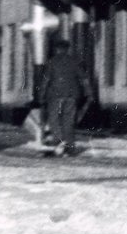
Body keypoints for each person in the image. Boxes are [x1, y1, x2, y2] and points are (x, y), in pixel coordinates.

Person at [35, 27, 92, 156]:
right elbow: (84, 78)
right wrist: (89, 93)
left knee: (54, 120)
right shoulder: (74, 62)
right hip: (71, 96)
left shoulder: (52, 62)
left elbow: (46, 80)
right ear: (67, 48)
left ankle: (59, 142)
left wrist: (41, 96)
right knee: (69, 121)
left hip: (55, 96)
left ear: (57, 49)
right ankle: (70, 148)